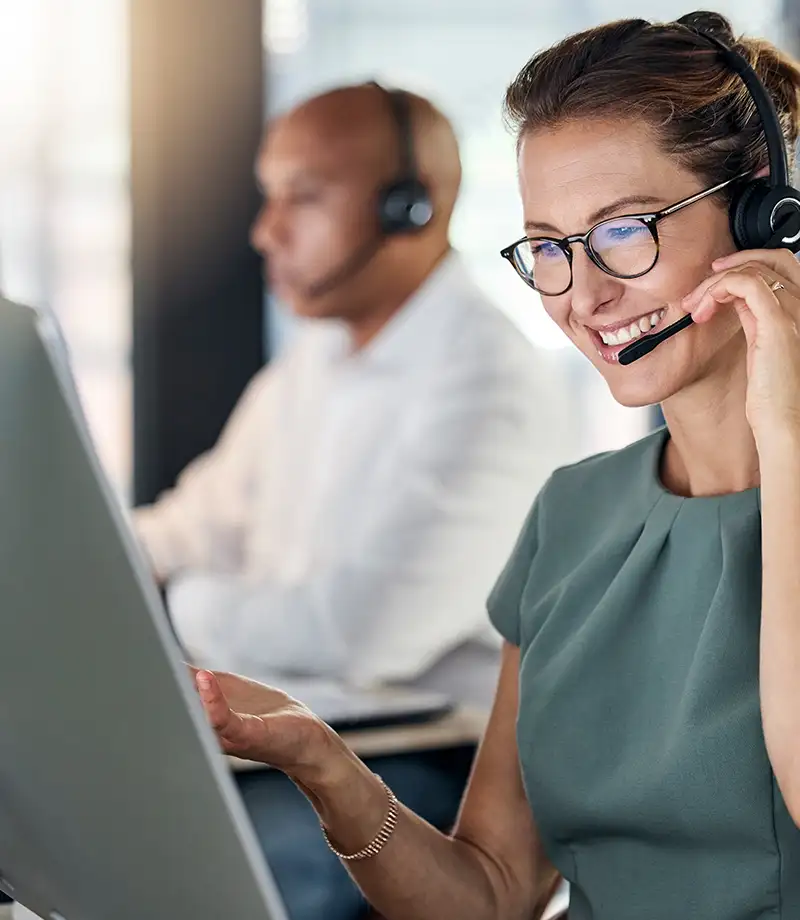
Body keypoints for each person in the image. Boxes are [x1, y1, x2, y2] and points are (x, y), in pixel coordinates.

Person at [188, 12, 800, 920]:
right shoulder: (574, 517)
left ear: (764, 215)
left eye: (624, 231)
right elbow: (494, 894)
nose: (583, 296)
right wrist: (322, 761)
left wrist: (785, 433)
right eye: (549, 246)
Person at [133, 82, 568, 920]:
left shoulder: (487, 384)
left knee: (216, 873)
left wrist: (182, 600)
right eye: (269, 198)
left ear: (411, 207)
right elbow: (191, 526)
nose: (267, 231)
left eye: (304, 197)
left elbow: (364, 635)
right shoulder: (313, 363)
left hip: (432, 765)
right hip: (283, 732)